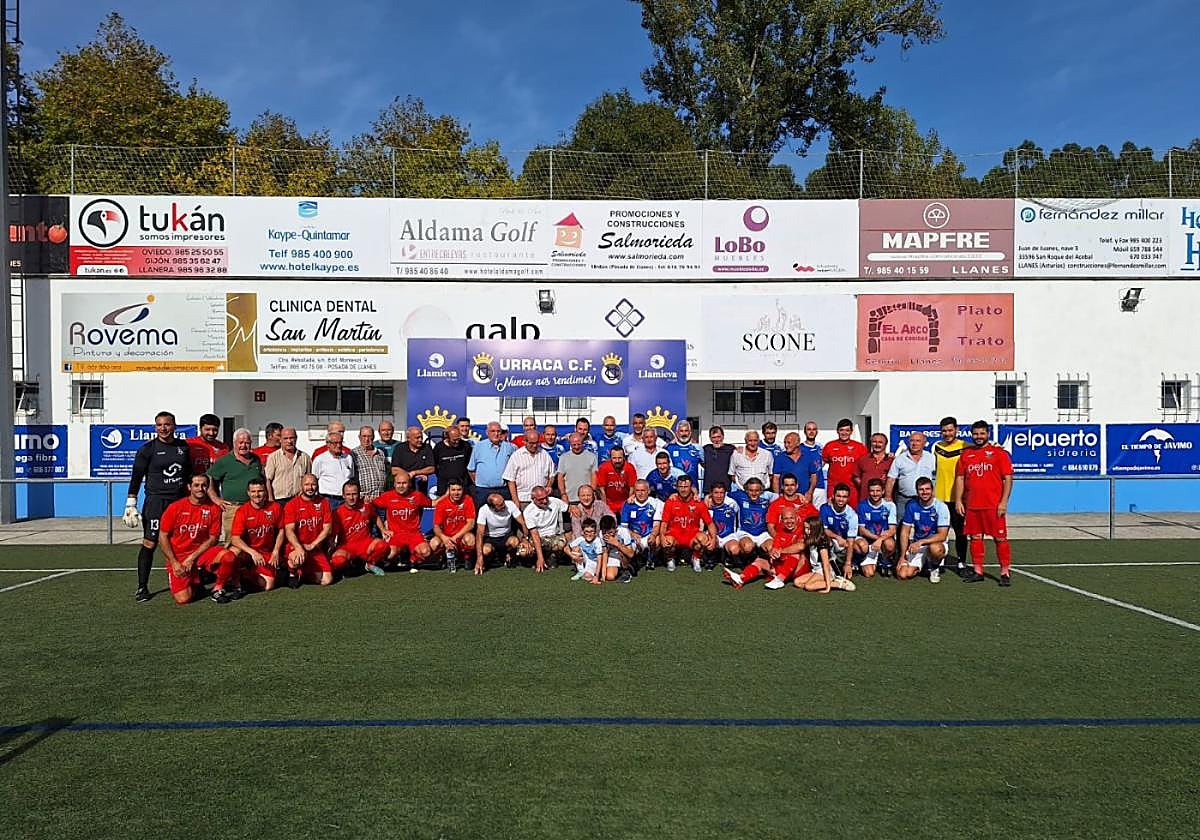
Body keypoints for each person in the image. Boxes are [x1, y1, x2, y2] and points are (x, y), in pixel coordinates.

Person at [125, 410, 191, 603]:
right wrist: (131, 503)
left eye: (167, 424)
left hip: (179, 502)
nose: (163, 428)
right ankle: (142, 587)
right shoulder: (147, 449)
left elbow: (188, 474)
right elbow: (136, 476)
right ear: (155, 427)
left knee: (182, 541)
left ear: (174, 426)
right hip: (156, 502)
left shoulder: (183, 447)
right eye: (159, 425)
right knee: (150, 543)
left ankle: (187, 580)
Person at [158, 474, 239, 604]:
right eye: (196, 485)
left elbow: (213, 538)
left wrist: (192, 558)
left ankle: (217, 588)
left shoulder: (214, 508)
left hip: (201, 553)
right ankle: (196, 583)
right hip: (180, 556)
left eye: (204, 485)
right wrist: (174, 562)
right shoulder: (175, 507)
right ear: (189, 487)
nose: (200, 488)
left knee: (228, 557)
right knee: (183, 599)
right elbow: (163, 537)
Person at [954, 420, 1015, 586]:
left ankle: (1004, 572)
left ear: (988, 434)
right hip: (972, 505)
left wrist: (1003, 502)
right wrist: (959, 499)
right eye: (975, 434)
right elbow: (960, 478)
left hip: (993, 505)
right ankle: (978, 571)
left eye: (982, 433)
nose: (978, 437)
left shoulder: (999, 454)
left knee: (1000, 538)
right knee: (975, 537)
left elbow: (1008, 479)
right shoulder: (966, 455)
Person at [722, 506, 808, 591]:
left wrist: (781, 551)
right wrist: (773, 555)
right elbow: (774, 549)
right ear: (781, 520)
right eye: (785, 519)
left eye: (791, 518)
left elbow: (801, 546)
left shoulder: (802, 530)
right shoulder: (780, 533)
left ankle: (780, 580)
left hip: (799, 569)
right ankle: (741, 578)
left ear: (797, 518)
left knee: (795, 554)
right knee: (760, 561)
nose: (789, 521)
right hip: (783, 566)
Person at [206, 428, 264, 543]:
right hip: (233, 509)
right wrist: (216, 499)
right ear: (234, 443)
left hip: (253, 507)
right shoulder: (224, 461)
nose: (244, 445)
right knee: (231, 541)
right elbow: (209, 479)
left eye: (247, 443)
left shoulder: (256, 459)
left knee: (253, 540)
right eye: (240, 443)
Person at [229, 477, 285, 591]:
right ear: (248, 493)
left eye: (260, 491)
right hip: (248, 552)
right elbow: (235, 539)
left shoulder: (275, 507)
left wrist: (276, 551)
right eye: (253, 491)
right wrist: (252, 552)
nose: (257, 495)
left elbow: (281, 530)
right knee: (233, 552)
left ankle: (246, 574)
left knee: (268, 586)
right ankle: (235, 582)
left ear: (265, 492)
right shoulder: (242, 511)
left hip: (265, 552)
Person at [282, 474, 335, 588]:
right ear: (301, 486)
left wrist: (313, 545)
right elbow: (289, 530)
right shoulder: (292, 504)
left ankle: (303, 573)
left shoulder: (324, 502)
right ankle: (292, 573)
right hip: (296, 546)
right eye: (306, 484)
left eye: (313, 484)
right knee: (297, 558)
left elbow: (328, 528)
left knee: (327, 580)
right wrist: (298, 547)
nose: (310, 487)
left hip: (314, 548)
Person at [373, 470, 433, 569]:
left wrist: (448, 496)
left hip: (413, 534)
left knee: (426, 552)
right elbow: (370, 509)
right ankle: (397, 557)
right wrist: (383, 529)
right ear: (394, 484)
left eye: (404, 483)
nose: (401, 486)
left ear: (409, 484)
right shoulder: (387, 496)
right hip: (395, 534)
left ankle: (412, 560)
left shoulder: (417, 495)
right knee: (389, 555)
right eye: (398, 483)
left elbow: (433, 503)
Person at [331, 480, 390, 576]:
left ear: (359, 494)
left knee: (383, 546)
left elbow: (375, 517)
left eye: (354, 494)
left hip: (365, 544)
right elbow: (332, 535)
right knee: (338, 561)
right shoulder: (337, 513)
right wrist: (331, 550)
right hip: (347, 547)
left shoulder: (366, 506)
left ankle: (370, 564)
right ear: (343, 496)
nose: (351, 497)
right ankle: (353, 565)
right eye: (348, 494)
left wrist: (383, 530)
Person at [659, 475, 716, 573]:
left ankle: (696, 557)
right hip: (674, 535)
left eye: (686, 487)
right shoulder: (670, 502)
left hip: (692, 536)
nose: (683, 490)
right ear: (677, 488)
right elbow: (664, 523)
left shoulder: (699, 503)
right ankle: (670, 558)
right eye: (681, 487)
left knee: (703, 539)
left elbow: (710, 524)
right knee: (666, 541)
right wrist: (661, 536)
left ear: (691, 488)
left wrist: (714, 539)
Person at [933, 416, 968, 573]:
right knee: (941, 533)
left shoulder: (966, 447)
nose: (947, 433)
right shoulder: (937, 447)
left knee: (960, 532)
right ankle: (939, 563)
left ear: (957, 430)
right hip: (940, 498)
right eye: (944, 430)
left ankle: (961, 562)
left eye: (950, 430)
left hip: (958, 499)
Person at [900, 477, 950, 583]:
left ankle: (934, 567)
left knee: (934, 548)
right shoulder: (911, 506)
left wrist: (921, 542)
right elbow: (905, 532)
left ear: (932, 490)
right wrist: (902, 556)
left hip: (936, 543)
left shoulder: (941, 507)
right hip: (919, 544)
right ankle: (924, 563)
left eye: (927, 489)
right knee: (903, 574)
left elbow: (942, 535)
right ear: (917, 491)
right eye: (921, 489)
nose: (924, 492)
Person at [793, 514, 855, 593]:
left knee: (808, 586)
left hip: (828, 570)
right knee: (797, 582)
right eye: (805, 528)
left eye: (808, 529)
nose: (806, 531)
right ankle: (821, 583)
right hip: (816, 570)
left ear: (815, 529)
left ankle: (839, 584)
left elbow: (826, 565)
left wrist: (828, 587)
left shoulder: (822, 543)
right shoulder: (811, 539)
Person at [518, 485, 570, 572]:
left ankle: (552, 556)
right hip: (538, 538)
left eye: (546, 497)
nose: (545, 501)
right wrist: (540, 558)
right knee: (522, 551)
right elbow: (535, 535)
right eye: (541, 499)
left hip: (554, 536)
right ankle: (536, 560)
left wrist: (574, 508)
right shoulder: (528, 511)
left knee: (560, 543)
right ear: (533, 499)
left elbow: (568, 508)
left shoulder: (554, 501)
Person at [474, 492, 527, 574]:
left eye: (503, 502)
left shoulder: (510, 504)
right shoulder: (483, 510)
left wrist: (525, 538)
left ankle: (510, 557)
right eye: (500, 505)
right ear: (492, 507)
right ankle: (493, 559)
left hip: (507, 536)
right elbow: (479, 533)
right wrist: (479, 557)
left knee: (515, 542)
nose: (504, 505)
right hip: (490, 538)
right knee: (485, 550)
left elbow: (523, 523)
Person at [855, 478, 897, 579]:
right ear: (868, 491)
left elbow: (892, 529)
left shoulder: (890, 505)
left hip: (882, 541)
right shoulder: (862, 505)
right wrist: (876, 539)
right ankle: (862, 558)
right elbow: (861, 529)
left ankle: (884, 560)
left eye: (878, 491)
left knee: (890, 544)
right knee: (869, 574)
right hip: (868, 542)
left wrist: (879, 540)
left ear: (883, 491)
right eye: (872, 491)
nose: (875, 494)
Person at [431, 478, 477, 572]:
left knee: (470, 539)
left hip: (461, 537)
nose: (456, 493)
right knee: (434, 543)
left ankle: (467, 558)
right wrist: (444, 538)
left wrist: (455, 538)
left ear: (463, 490)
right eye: (453, 490)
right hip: (447, 538)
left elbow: (471, 524)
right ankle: (443, 558)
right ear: (449, 491)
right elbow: (436, 527)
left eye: (459, 490)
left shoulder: (468, 500)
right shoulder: (441, 504)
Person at [467, 422, 516, 508]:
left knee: (503, 518)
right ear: (487, 432)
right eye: (493, 431)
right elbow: (471, 469)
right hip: (483, 491)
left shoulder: (510, 447)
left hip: (503, 490)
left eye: (498, 431)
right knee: (482, 517)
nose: (496, 434)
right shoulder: (478, 446)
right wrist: (480, 482)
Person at [727, 477, 776, 562]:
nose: (754, 493)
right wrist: (709, 496)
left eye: (757, 490)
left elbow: (784, 496)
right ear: (746, 490)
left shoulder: (767, 496)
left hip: (762, 533)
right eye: (751, 490)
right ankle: (744, 562)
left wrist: (799, 495)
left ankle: (761, 558)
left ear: (761, 490)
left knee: (772, 547)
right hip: (745, 532)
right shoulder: (740, 495)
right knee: (748, 547)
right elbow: (723, 495)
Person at [887, 431, 936, 513]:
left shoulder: (931, 458)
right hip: (904, 499)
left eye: (918, 441)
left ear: (924, 443)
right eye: (912, 440)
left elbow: (935, 478)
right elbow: (891, 479)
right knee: (901, 523)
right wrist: (888, 497)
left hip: (926, 498)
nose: (914, 443)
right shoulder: (900, 459)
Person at [823, 419, 868, 508]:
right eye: (841, 430)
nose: (844, 433)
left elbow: (868, 463)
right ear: (837, 431)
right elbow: (820, 464)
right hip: (834, 487)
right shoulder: (829, 446)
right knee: (833, 511)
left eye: (847, 430)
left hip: (853, 487)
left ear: (851, 431)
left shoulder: (860, 447)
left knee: (853, 512)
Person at [503, 432, 556, 507]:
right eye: (531, 443)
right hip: (523, 500)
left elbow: (552, 474)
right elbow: (510, 479)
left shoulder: (544, 455)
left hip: (542, 500)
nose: (534, 446)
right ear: (524, 442)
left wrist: (549, 486)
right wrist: (515, 500)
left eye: (537, 443)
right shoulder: (516, 456)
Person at [619, 480, 663, 569]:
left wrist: (653, 535)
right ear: (634, 492)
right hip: (633, 536)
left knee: (657, 540)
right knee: (625, 550)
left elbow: (656, 524)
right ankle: (630, 565)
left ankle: (650, 560)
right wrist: (632, 534)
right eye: (638, 490)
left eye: (643, 490)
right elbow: (624, 527)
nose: (640, 493)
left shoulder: (656, 503)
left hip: (648, 535)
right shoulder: (628, 504)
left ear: (648, 491)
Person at [820, 483, 860, 581]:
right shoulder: (825, 508)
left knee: (862, 547)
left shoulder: (852, 515)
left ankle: (853, 563)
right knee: (824, 539)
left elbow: (850, 541)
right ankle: (829, 565)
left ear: (848, 498)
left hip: (846, 541)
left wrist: (848, 563)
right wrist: (837, 537)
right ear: (833, 496)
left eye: (844, 497)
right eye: (838, 496)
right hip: (833, 538)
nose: (841, 499)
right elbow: (823, 529)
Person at [264, 427, 310, 505]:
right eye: (286, 438)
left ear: (296, 438)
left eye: (292, 438)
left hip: (298, 500)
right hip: (279, 500)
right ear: (280, 440)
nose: (289, 441)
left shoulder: (305, 457)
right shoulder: (273, 457)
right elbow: (268, 480)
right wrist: (271, 500)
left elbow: (308, 479)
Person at [312, 431, 355, 511]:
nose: (338, 445)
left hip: (346, 500)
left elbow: (351, 477)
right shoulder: (320, 459)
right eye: (335, 443)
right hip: (329, 500)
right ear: (328, 444)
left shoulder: (348, 458)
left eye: (340, 442)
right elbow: (314, 480)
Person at [767, 473, 819, 537]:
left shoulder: (804, 502)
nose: (789, 488)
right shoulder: (775, 504)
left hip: (802, 540)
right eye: (787, 485)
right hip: (783, 539)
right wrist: (779, 541)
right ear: (782, 487)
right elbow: (770, 527)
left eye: (792, 485)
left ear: (796, 486)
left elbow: (817, 520)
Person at [391, 426, 435, 494]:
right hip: (404, 488)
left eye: (421, 437)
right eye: (417, 438)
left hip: (422, 488)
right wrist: (409, 475)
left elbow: (431, 468)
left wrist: (415, 473)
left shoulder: (427, 448)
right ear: (408, 438)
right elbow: (394, 470)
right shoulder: (400, 448)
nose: (420, 440)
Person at [432, 424, 472, 498]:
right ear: (447, 438)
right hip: (444, 486)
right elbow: (434, 465)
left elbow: (470, 464)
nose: (457, 442)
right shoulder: (439, 448)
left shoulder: (466, 446)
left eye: (458, 439)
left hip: (463, 486)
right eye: (454, 440)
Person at [351, 425, 389, 504]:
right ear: (359, 437)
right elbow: (351, 478)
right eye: (364, 436)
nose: (366, 439)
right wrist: (360, 495)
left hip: (381, 499)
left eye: (369, 436)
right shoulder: (353, 454)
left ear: (373, 437)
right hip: (364, 500)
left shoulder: (380, 453)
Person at [708, 482, 742, 566]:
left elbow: (738, 517)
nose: (719, 496)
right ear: (711, 493)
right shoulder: (706, 505)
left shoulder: (732, 504)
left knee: (735, 549)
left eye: (721, 493)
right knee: (705, 541)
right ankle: (712, 557)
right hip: (713, 535)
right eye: (716, 493)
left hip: (728, 535)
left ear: (725, 493)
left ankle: (728, 557)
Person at [557, 432, 597, 503]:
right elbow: (560, 477)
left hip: (587, 498)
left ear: (583, 443)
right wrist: (563, 494)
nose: (576, 447)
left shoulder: (592, 456)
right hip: (570, 498)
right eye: (574, 445)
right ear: (570, 444)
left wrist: (593, 491)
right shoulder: (563, 457)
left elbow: (594, 476)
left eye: (579, 444)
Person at [771, 432, 815, 497]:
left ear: (797, 443)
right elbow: (776, 479)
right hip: (786, 497)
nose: (786, 445)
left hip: (804, 497)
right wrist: (777, 496)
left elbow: (813, 476)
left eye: (789, 443)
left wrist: (810, 492)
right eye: (785, 442)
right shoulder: (779, 458)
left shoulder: (808, 456)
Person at [595, 446, 637, 514]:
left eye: (619, 458)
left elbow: (632, 488)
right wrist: (605, 508)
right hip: (609, 503)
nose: (617, 461)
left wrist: (628, 506)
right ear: (610, 458)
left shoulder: (629, 467)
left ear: (624, 457)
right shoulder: (604, 468)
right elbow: (601, 490)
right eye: (614, 458)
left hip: (625, 502)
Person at [853, 433, 894, 502]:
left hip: (884, 500)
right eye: (874, 442)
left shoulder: (891, 461)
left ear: (885, 444)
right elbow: (856, 476)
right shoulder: (863, 459)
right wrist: (864, 485)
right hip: (865, 499)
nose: (877, 444)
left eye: (880, 442)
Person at [566, 517, 607, 584]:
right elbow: (566, 548)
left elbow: (599, 560)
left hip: (594, 562)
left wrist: (596, 576)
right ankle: (580, 571)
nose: (589, 534)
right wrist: (572, 556)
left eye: (591, 531)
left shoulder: (597, 542)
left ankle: (588, 573)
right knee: (575, 548)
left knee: (587, 576)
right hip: (585, 559)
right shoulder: (581, 539)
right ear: (582, 532)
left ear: (595, 532)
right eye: (587, 532)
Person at [599, 514, 636, 583]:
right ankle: (619, 569)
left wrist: (617, 544)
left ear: (615, 528)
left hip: (627, 549)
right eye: (604, 533)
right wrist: (603, 574)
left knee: (622, 552)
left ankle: (626, 569)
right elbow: (605, 552)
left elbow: (631, 554)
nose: (607, 535)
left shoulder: (623, 531)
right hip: (613, 552)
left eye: (610, 532)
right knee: (610, 576)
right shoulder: (601, 534)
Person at [702, 426, 736, 494]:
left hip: (725, 489)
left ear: (723, 436)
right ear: (710, 438)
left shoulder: (731, 449)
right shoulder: (705, 449)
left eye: (718, 437)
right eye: (714, 437)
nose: (716, 440)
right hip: (709, 489)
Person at [800, 420, 826, 506]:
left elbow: (823, 462)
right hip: (805, 488)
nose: (811, 432)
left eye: (814, 429)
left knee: (819, 515)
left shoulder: (820, 448)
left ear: (817, 432)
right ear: (804, 431)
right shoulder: (799, 448)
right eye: (809, 429)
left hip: (819, 487)